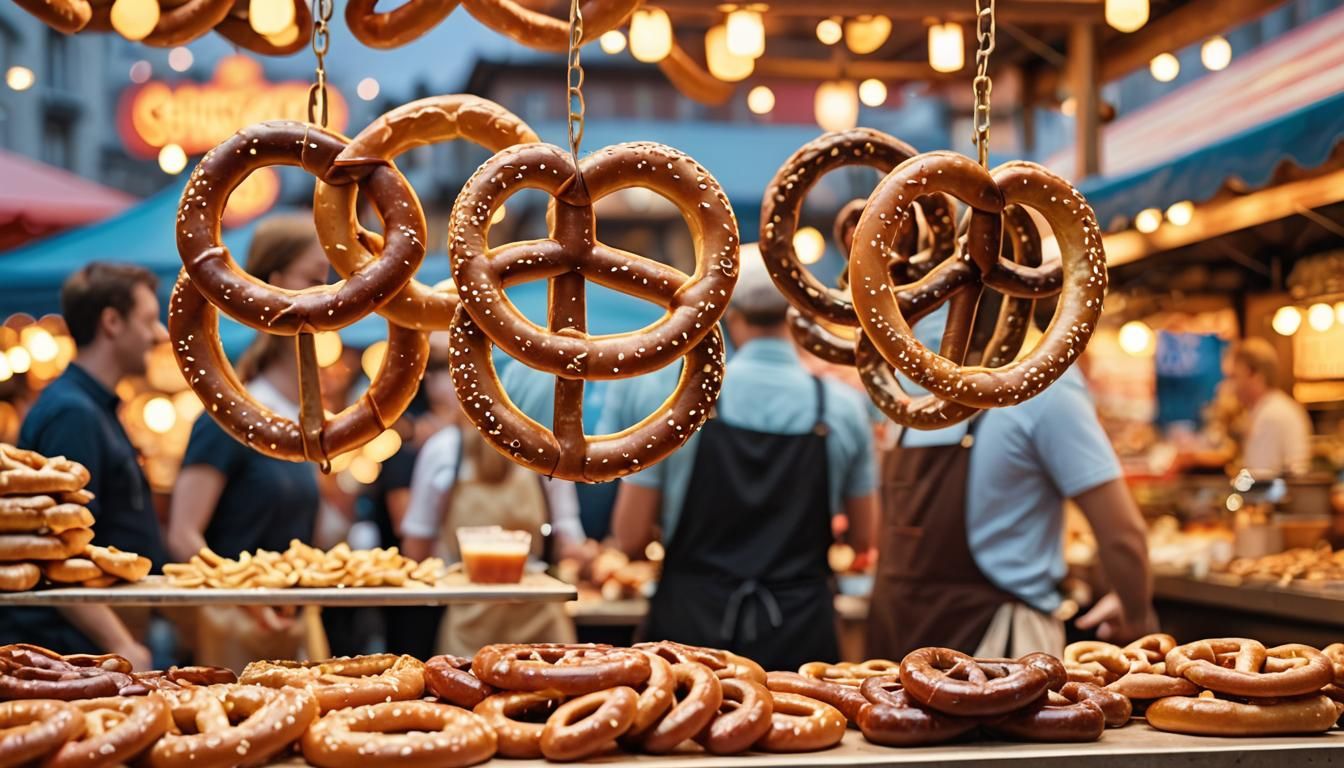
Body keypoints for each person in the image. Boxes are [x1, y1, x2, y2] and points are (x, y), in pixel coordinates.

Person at [610, 256, 879, 671]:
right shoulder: (842, 409)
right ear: (796, 317)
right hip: (799, 640)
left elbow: (628, 536)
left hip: (690, 639)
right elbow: (865, 538)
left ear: (731, 318)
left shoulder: (683, 403)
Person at [866, 305, 1157, 661]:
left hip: (893, 649)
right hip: (998, 658)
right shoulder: (1041, 384)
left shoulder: (900, 391)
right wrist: (1136, 614)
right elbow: (1123, 537)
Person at [165, 215, 324, 669]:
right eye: (313, 280)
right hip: (232, 634)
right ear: (273, 287)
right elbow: (182, 535)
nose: (329, 296)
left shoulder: (308, 422)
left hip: (292, 630)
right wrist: (247, 596)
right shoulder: (229, 417)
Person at [7, 263, 169, 668]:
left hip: (86, 645)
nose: (159, 334)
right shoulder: (73, 414)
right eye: (149, 320)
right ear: (112, 322)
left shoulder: (92, 408)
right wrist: (123, 645)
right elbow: (59, 552)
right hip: (70, 653)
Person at [401, 352, 586, 658]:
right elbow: (569, 542)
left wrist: (451, 565)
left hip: (472, 629)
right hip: (541, 631)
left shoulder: (443, 450)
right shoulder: (547, 453)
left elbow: (416, 550)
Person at [1225, 338, 1312, 478]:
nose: (1231, 387)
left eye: (1234, 377)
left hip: (1284, 498)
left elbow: (1259, 480)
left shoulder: (1271, 415)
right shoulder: (1273, 407)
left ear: (1253, 375)